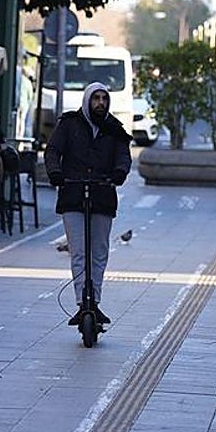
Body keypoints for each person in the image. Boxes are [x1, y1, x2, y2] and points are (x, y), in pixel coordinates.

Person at [43, 83, 132, 328]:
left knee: (99, 252)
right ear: (87, 100)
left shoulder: (115, 129)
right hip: (72, 194)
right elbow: (52, 151)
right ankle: (83, 302)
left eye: (104, 98)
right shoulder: (69, 124)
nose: (100, 103)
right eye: (96, 98)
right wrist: (55, 173)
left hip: (102, 195)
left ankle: (96, 301)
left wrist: (119, 173)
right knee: (79, 253)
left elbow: (124, 156)